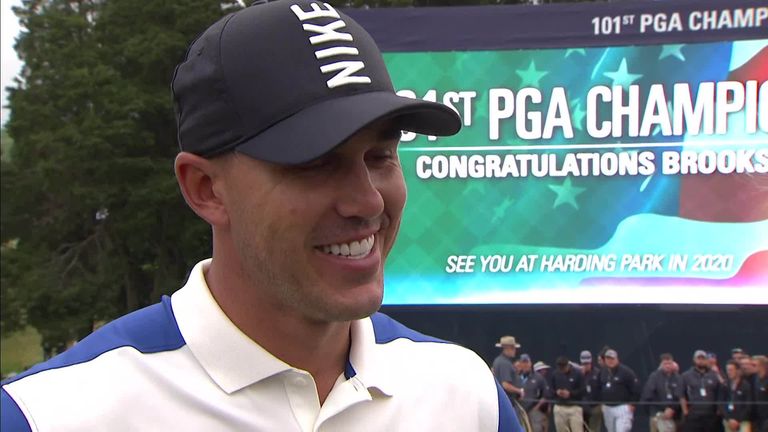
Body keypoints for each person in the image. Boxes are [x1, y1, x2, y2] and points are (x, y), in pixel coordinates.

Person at [0, 1, 522, 431]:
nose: (366, 202)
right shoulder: (52, 414)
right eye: (317, 163)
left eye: (381, 156)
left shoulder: (463, 394)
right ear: (206, 189)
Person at [681, 349, 725, 432]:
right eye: (698, 358)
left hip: (711, 415)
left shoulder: (713, 374)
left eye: (703, 358)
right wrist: (685, 411)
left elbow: (721, 392)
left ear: (706, 360)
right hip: (694, 415)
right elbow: (682, 394)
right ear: (694, 360)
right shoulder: (686, 375)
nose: (701, 361)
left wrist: (719, 409)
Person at [598, 349, 641, 432]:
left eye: (612, 359)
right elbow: (598, 388)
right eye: (608, 359)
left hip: (622, 407)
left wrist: (633, 404)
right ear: (605, 360)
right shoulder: (603, 372)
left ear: (617, 359)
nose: (610, 361)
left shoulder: (626, 372)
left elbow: (636, 388)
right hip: (607, 408)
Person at [642, 353, 682, 432]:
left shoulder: (678, 378)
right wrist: (659, 410)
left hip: (673, 414)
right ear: (661, 364)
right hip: (657, 413)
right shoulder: (654, 376)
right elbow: (648, 395)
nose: (667, 366)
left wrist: (672, 409)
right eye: (665, 364)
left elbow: (679, 396)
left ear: (672, 363)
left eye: (669, 363)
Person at [551, 356, 585, 432]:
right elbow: (550, 390)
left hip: (574, 407)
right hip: (560, 407)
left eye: (563, 368)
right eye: (560, 368)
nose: (562, 370)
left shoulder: (577, 373)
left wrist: (570, 394)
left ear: (568, 365)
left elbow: (583, 390)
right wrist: (557, 392)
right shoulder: (555, 374)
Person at [519, 354, 550, 432]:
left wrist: (537, 407)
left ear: (530, 363)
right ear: (520, 364)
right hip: (520, 409)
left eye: (527, 362)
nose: (525, 365)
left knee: (536, 429)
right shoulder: (516, 376)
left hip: (533, 409)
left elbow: (545, 395)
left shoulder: (538, 377)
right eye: (523, 362)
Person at [723, 360, 753, 432]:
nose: (728, 372)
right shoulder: (725, 385)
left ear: (738, 371)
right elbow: (721, 403)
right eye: (727, 370)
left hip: (743, 421)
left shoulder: (746, 386)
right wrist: (729, 419)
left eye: (731, 370)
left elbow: (749, 405)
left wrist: (738, 420)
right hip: (728, 421)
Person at [493, 336, 525, 402]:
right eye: (513, 348)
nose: (515, 351)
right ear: (507, 348)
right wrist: (520, 391)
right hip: (507, 400)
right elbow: (505, 385)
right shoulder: (504, 363)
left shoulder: (498, 360)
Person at [580, 350, 604, 432]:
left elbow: (602, 389)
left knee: (594, 429)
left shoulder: (598, 373)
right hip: (582, 407)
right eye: (584, 364)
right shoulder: (578, 374)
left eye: (587, 363)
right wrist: (581, 376)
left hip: (595, 406)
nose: (585, 365)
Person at [753, 355, 768, 432]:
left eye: (754, 365)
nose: (752, 367)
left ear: (762, 366)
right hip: (759, 418)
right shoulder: (756, 379)